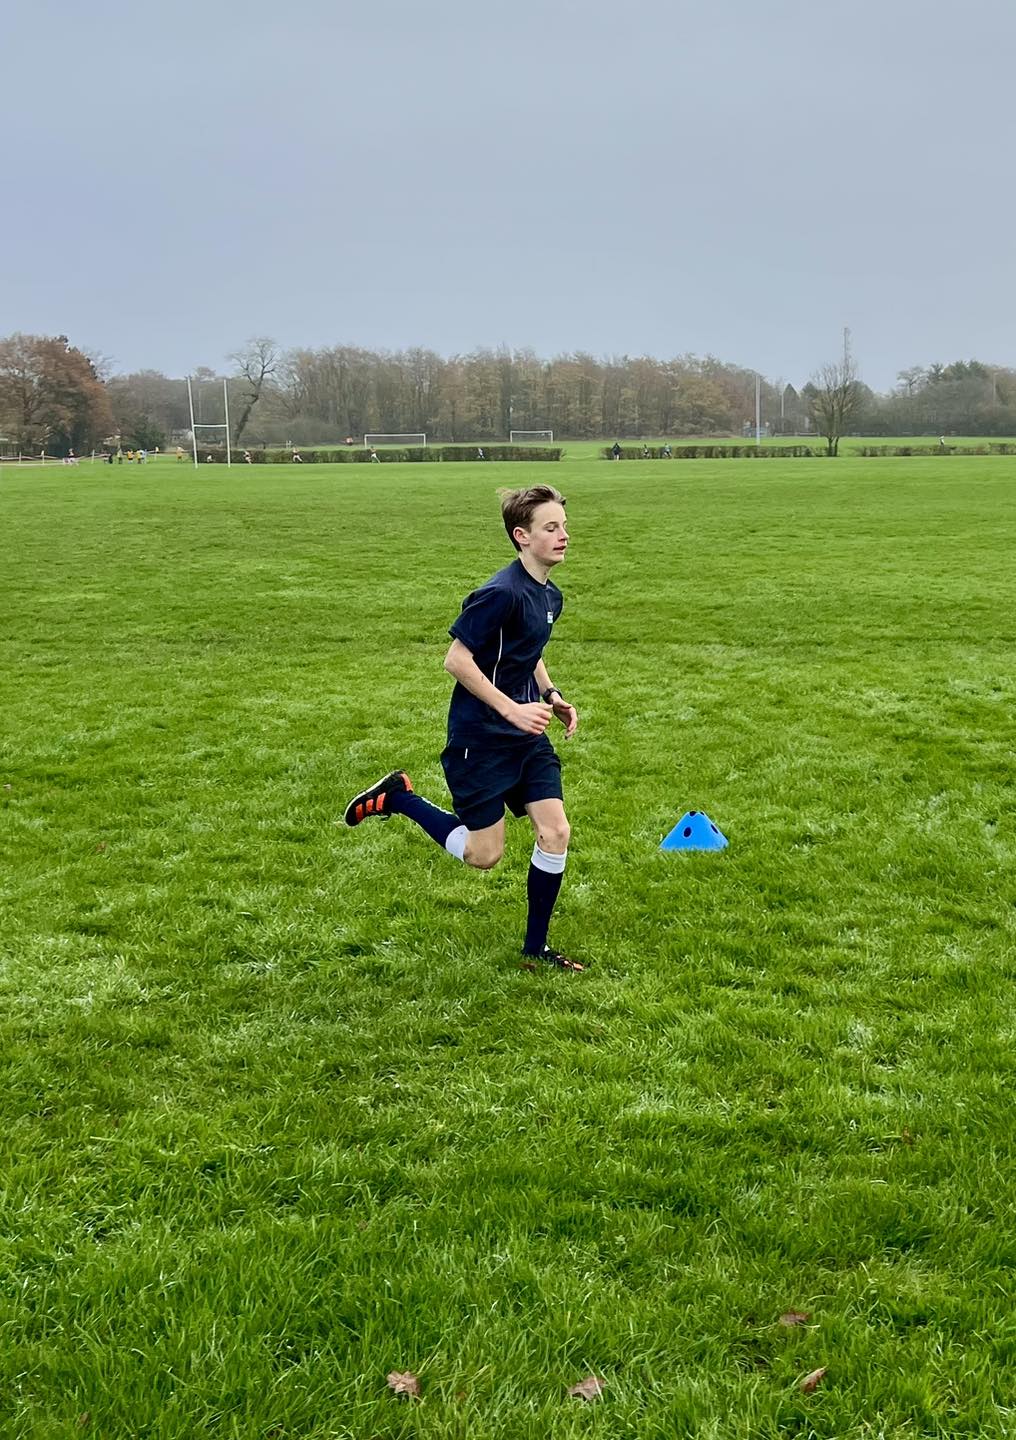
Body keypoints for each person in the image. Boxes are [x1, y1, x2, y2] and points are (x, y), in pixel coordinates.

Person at [344, 485, 582, 971]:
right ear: (522, 536)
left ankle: (535, 950)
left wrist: (551, 695)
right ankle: (398, 798)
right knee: (483, 855)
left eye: (564, 526)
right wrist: (512, 709)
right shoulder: (499, 594)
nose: (563, 536)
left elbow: (528, 649)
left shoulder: (548, 594)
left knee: (555, 832)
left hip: (528, 737)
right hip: (482, 740)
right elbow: (456, 660)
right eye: (551, 528)